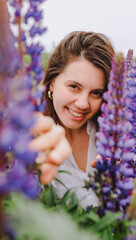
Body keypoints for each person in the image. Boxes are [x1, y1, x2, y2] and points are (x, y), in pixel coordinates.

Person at [42, 31, 114, 209]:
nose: (83, 104)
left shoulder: (116, 136)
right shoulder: (30, 135)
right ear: (52, 82)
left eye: (96, 93)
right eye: (74, 86)